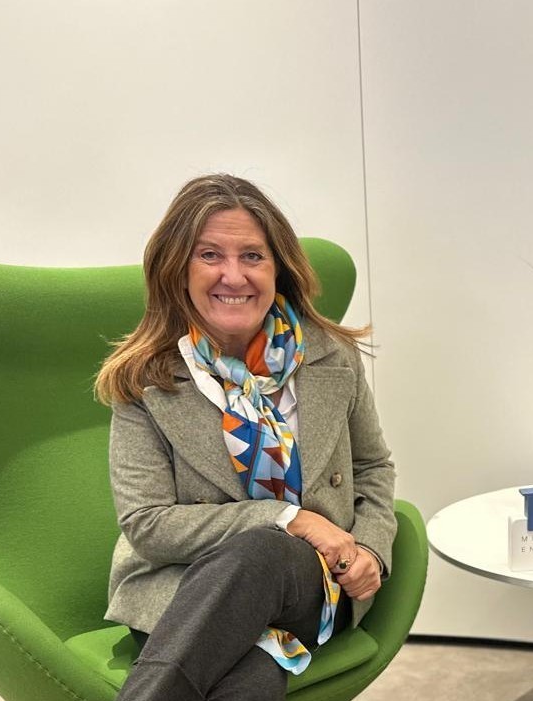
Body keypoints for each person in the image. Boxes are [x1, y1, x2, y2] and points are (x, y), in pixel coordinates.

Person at [94, 174, 396, 700]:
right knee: (248, 680)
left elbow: (372, 468)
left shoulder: (333, 357)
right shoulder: (144, 379)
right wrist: (289, 517)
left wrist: (368, 546)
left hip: (312, 584)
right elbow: (148, 523)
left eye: (252, 256)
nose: (233, 276)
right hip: (183, 591)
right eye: (210, 255)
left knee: (265, 553)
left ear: (278, 268)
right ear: (178, 268)